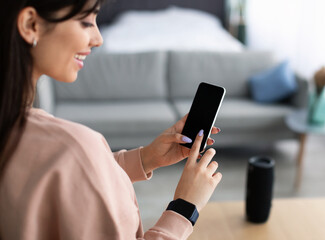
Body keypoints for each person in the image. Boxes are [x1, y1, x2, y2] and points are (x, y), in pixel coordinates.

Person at [0, 0, 222, 239]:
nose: (98, 39)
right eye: (86, 22)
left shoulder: (17, 130)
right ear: (30, 24)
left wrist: (145, 158)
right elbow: (76, 167)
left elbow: (72, 178)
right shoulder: (73, 146)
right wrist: (185, 207)